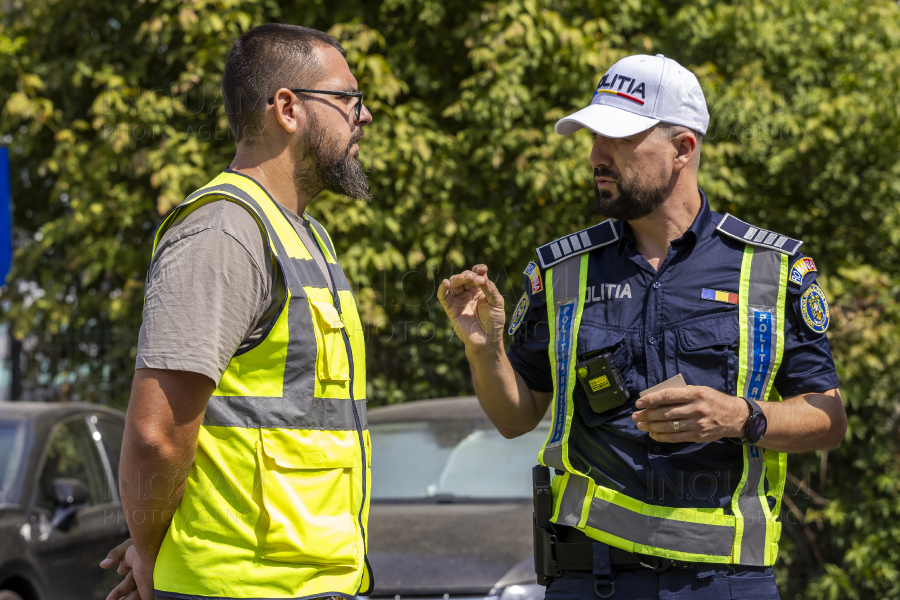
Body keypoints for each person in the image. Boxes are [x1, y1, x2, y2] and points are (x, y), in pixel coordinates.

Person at [438, 54, 846, 599]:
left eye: (621, 138)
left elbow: (827, 417)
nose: (597, 156)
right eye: (593, 137)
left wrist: (739, 416)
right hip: (589, 579)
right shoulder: (560, 271)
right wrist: (484, 351)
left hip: (724, 583)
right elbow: (516, 418)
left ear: (683, 149)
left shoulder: (773, 269)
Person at [99, 23, 374, 600]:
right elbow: (156, 435)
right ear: (288, 108)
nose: (364, 117)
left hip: (305, 584)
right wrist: (151, 556)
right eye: (349, 99)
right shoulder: (225, 231)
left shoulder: (305, 236)